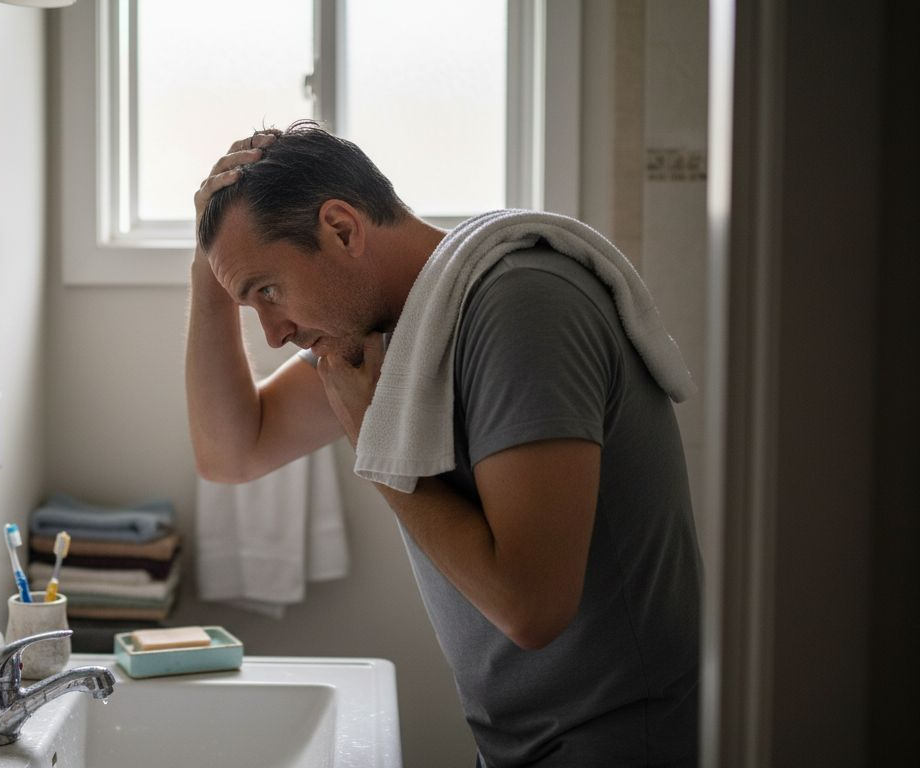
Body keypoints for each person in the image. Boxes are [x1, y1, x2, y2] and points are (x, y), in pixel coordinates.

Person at [184, 121, 700, 767]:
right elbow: (231, 454)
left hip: (619, 744)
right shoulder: (390, 331)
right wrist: (212, 272)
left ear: (342, 229)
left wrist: (372, 445)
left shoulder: (521, 305)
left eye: (267, 291)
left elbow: (531, 607)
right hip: (527, 743)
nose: (272, 332)